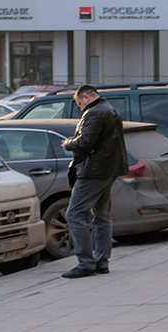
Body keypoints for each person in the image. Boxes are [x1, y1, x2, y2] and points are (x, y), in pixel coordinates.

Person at [60, 85, 128, 279]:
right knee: (102, 216)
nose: (79, 107)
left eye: (79, 102)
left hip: (93, 171)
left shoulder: (94, 113)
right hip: (108, 169)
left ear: (86, 97)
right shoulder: (110, 109)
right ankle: (101, 262)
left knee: (74, 214)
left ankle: (85, 263)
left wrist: (68, 143)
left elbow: (85, 142)